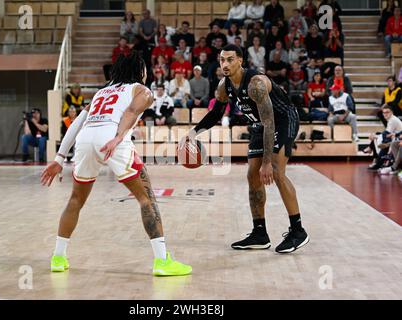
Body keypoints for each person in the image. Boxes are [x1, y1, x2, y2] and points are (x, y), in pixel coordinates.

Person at [40, 52, 191, 276]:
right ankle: (162, 261)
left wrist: (59, 158)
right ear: (141, 72)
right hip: (111, 138)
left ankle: (58, 257)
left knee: (75, 199)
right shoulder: (142, 90)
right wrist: (119, 137)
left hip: (84, 140)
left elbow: (78, 122)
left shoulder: (101, 92)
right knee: (146, 198)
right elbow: (130, 111)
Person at [181, 44, 309, 253]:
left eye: (230, 59)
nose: (225, 64)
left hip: (283, 120)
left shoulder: (255, 84)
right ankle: (260, 233)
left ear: (240, 60)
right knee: (252, 175)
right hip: (260, 125)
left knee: (276, 172)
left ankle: (298, 230)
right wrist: (192, 133)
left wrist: (267, 162)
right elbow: (216, 114)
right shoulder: (224, 85)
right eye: (222, 60)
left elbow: (270, 122)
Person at [366, 106, 402, 170]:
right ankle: (377, 161)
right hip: (394, 137)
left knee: (383, 142)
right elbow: (387, 133)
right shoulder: (391, 119)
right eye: (384, 112)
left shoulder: (392, 120)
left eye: (387, 112)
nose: (385, 114)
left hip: (398, 138)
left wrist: (375, 136)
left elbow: (387, 133)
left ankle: (377, 162)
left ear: (392, 112)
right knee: (379, 137)